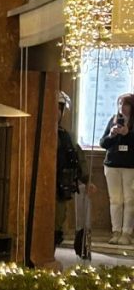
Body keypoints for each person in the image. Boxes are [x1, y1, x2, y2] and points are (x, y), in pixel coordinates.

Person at [55, 91, 93, 254]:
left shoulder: (66, 136)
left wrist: (87, 180)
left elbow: (77, 158)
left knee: (57, 222)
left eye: (59, 109)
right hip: (40, 187)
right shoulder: (34, 133)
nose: (56, 112)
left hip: (60, 187)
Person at [99, 93, 134, 246]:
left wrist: (128, 134)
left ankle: (127, 233)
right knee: (115, 200)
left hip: (130, 167)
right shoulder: (113, 120)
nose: (122, 107)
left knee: (129, 200)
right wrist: (112, 135)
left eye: (125, 104)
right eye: (119, 104)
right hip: (112, 165)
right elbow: (103, 143)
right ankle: (116, 231)